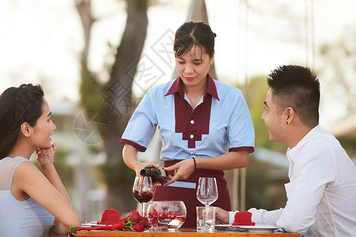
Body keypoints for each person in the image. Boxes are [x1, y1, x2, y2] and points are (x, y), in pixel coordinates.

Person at [121, 21, 255, 228]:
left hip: (212, 202)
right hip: (165, 204)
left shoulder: (232, 98)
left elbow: (241, 157)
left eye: (197, 62)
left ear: (211, 58)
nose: (188, 70)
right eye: (181, 61)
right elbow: (129, 147)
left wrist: (195, 163)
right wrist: (139, 167)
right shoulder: (157, 96)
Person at [216, 65, 356, 236]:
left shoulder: (317, 151)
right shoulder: (311, 147)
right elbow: (290, 215)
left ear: (288, 115)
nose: (262, 117)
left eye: (267, 108)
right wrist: (232, 218)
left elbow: (292, 223)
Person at [0, 84, 81, 237]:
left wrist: (47, 165)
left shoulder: (7, 167)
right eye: (48, 120)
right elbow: (72, 222)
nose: (53, 126)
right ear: (26, 129)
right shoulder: (21, 168)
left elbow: (67, 216)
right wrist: (54, 232)